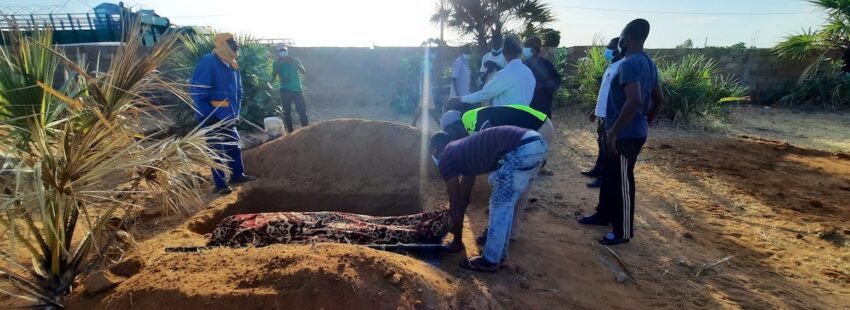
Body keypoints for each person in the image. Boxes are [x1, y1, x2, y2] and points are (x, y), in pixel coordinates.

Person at [579, 19, 666, 245]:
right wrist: (645, 122)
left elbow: (634, 100)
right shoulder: (648, 63)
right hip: (628, 131)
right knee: (610, 177)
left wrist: (615, 131)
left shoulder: (629, 64)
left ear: (626, 37)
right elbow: (659, 99)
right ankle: (603, 215)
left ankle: (622, 231)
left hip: (624, 135)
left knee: (623, 183)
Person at [431, 126, 548, 272]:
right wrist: (458, 236)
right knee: (506, 206)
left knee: (499, 207)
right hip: (537, 144)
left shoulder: (445, 156)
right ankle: (499, 255)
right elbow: (463, 200)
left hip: (520, 148)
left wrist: (456, 241)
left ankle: (490, 261)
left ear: (436, 149)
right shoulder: (463, 152)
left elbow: (455, 203)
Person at [439, 106, 553, 243]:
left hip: (535, 129)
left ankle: (496, 236)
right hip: (535, 133)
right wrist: (460, 207)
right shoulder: (470, 133)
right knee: (519, 187)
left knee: (503, 191)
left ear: (454, 125)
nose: (452, 138)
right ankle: (509, 233)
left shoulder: (468, 118)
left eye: (449, 133)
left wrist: (456, 211)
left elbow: (493, 141)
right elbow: (469, 174)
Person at [190, 33, 256, 194]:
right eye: (231, 42)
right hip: (211, 116)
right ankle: (220, 184)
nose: (236, 45)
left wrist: (236, 113)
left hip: (229, 116)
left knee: (233, 145)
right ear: (222, 45)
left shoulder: (233, 65)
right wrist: (208, 116)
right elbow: (197, 92)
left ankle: (237, 175)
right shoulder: (208, 61)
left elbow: (239, 92)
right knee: (216, 149)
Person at [445, 36, 535, 112]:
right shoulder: (529, 73)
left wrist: (460, 99)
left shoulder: (504, 74)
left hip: (505, 122)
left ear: (504, 52)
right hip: (524, 122)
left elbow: (484, 94)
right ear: (520, 51)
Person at [582, 37, 623, 188]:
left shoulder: (621, 68)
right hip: (602, 112)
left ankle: (604, 177)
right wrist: (596, 110)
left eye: (610, 48)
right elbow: (605, 92)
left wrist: (607, 117)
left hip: (610, 114)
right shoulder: (611, 66)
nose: (607, 51)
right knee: (601, 142)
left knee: (607, 146)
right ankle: (598, 169)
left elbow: (618, 97)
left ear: (618, 50)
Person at [271, 46, 308, 133]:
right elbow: (274, 75)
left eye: (284, 51)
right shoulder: (276, 63)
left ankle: (306, 130)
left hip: (297, 90)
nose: (283, 52)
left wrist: (296, 64)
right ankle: (290, 132)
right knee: (287, 112)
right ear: (278, 53)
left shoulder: (295, 60)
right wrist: (280, 64)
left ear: (287, 51)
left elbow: (303, 71)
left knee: (302, 110)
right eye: (281, 51)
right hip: (285, 90)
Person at [522, 36, 562, 118]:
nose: (524, 50)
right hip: (526, 107)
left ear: (533, 49)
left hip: (543, 107)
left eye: (527, 48)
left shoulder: (547, 65)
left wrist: (543, 86)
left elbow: (556, 82)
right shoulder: (523, 64)